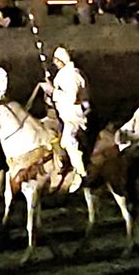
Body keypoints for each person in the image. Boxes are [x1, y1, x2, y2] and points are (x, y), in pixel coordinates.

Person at [49, 46, 90, 193]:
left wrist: (54, 92)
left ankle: (80, 173)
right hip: (64, 115)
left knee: (68, 141)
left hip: (75, 116)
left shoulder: (73, 75)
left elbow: (72, 98)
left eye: (57, 61)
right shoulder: (63, 74)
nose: (55, 63)